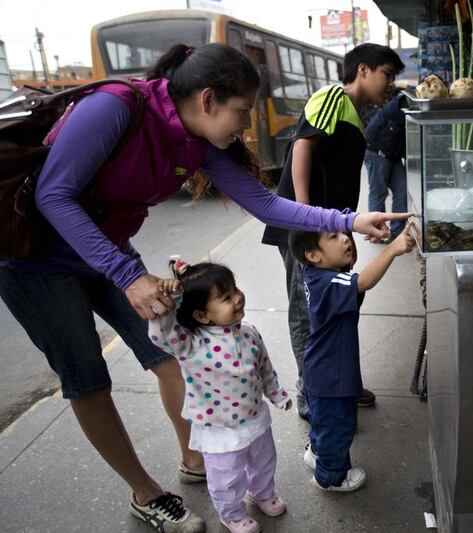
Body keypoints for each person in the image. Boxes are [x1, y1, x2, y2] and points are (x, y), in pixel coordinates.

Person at [0, 43, 409, 532]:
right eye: (241, 112)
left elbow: (267, 205)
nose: (245, 126)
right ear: (209, 98)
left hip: (107, 250)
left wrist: (351, 219)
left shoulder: (197, 141)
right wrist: (128, 274)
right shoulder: (113, 108)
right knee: (89, 379)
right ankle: (146, 493)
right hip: (38, 259)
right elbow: (53, 195)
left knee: (173, 352)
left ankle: (197, 459)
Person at [261, 43, 405, 421]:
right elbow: (303, 147)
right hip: (306, 232)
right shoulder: (332, 98)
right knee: (307, 312)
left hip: (332, 229)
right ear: (362, 69)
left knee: (341, 307)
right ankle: (312, 395)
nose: (390, 84)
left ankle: (341, 383)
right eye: (386, 74)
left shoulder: (356, 114)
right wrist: (305, 216)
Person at [149, 259, 289, 533]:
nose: (237, 298)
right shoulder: (191, 344)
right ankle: (232, 513)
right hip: (218, 427)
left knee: (264, 460)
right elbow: (161, 334)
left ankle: (261, 492)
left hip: (254, 416)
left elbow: (264, 367)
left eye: (235, 290)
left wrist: (277, 394)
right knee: (226, 476)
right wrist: (172, 302)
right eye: (226, 297)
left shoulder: (248, 332)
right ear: (202, 315)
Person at [288, 223, 415, 491]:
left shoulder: (315, 273)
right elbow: (364, 281)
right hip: (333, 375)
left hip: (319, 369)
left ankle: (316, 452)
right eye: (334, 237)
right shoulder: (329, 281)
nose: (345, 239)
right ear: (313, 255)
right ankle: (331, 477)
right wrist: (392, 248)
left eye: (344, 233)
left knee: (323, 421)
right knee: (339, 425)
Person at [364, 90, 409, 242]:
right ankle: (377, 233)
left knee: (402, 188)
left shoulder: (403, 105)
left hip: (392, 155)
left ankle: (398, 232)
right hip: (376, 153)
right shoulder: (401, 105)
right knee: (379, 192)